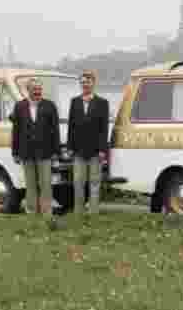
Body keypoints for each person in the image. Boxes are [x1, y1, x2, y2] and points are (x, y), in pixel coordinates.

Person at [10, 78, 62, 216]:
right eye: (35, 89)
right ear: (28, 90)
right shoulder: (19, 106)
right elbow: (16, 131)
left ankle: (46, 212)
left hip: (45, 152)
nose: (38, 91)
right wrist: (15, 152)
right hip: (26, 152)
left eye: (39, 89)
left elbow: (55, 130)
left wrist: (56, 152)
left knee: (45, 184)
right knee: (30, 184)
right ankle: (31, 211)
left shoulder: (50, 106)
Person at [66, 69, 110, 215]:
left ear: (93, 83)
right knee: (78, 182)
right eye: (83, 82)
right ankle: (78, 211)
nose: (85, 85)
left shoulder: (102, 103)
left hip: (96, 151)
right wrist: (70, 147)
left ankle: (93, 212)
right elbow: (71, 126)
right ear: (81, 84)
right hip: (78, 151)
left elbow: (104, 128)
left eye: (88, 82)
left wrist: (103, 150)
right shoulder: (74, 102)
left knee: (94, 183)